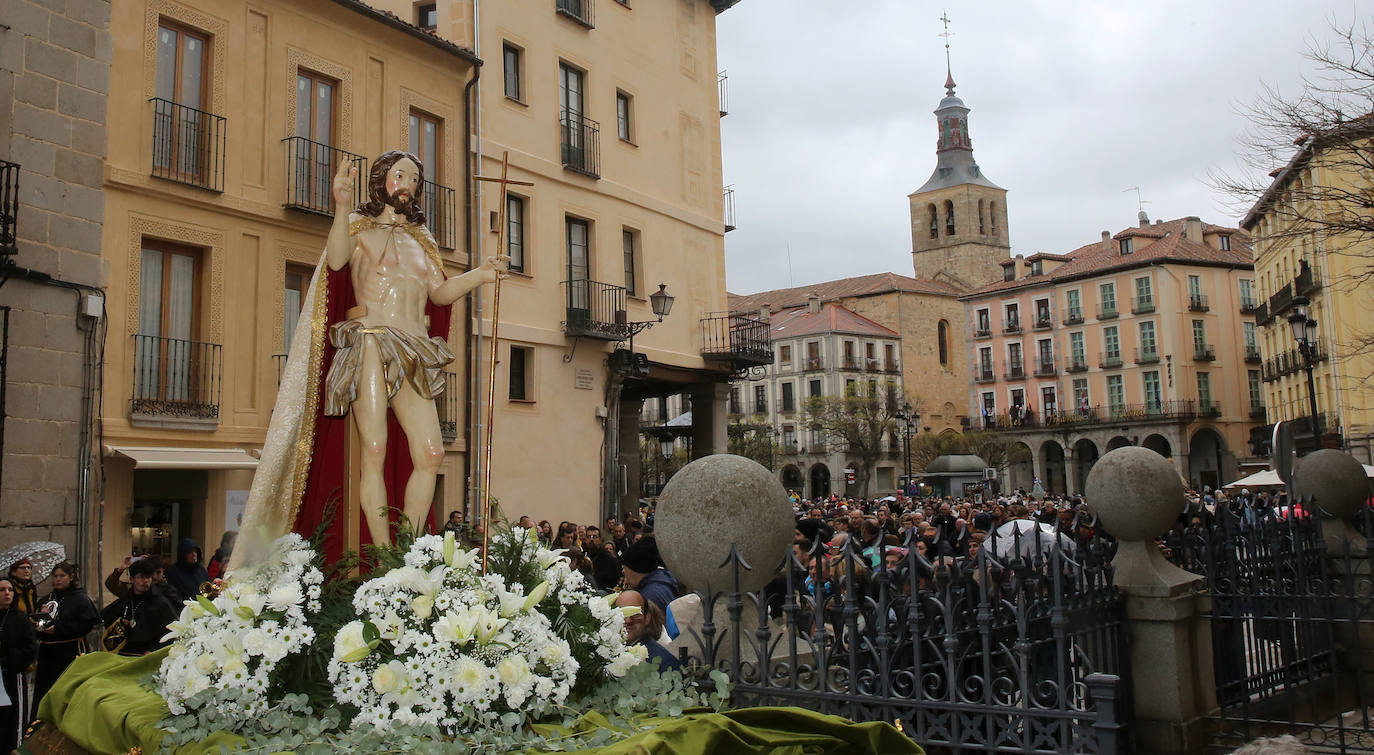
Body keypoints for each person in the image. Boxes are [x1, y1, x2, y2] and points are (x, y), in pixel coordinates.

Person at [235, 151, 505, 568]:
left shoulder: (423, 242)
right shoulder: (358, 231)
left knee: (431, 454)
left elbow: (439, 293)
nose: (407, 184)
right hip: (371, 342)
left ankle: (409, 553)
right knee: (374, 447)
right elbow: (338, 263)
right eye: (400, 175)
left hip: (414, 348)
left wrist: (480, 275)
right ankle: (383, 557)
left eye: (414, 178)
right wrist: (341, 207)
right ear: (381, 180)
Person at [33, 562, 100, 708]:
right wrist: (40, 622)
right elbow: (35, 624)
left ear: (71, 577)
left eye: (62, 576)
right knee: (45, 691)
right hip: (48, 654)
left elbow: (86, 625)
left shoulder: (80, 599)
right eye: (55, 576)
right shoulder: (45, 600)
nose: (58, 579)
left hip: (70, 651)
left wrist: (58, 628)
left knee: (67, 693)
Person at [100, 558, 177, 657]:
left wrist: (153, 650)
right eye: (141, 577)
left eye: (148, 577)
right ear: (132, 579)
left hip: (148, 656)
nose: (145, 581)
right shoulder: (126, 599)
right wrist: (122, 624)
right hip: (123, 654)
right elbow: (107, 618)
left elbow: (169, 631)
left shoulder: (160, 602)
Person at [0, 577, 37, 752]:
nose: (7, 593)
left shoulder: (20, 618)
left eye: (10, 590)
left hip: (12, 677)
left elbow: (29, 649)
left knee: (12, 718)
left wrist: (8, 660)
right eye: (2, 590)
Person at [614, 590, 679, 671]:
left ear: (647, 618)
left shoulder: (664, 662)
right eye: (622, 614)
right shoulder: (604, 650)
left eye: (636, 615)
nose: (628, 621)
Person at [620, 540, 679, 614]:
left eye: (624, 567)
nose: (623, 571)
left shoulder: (648, 597)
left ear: (634, 569)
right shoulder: (662, 579)